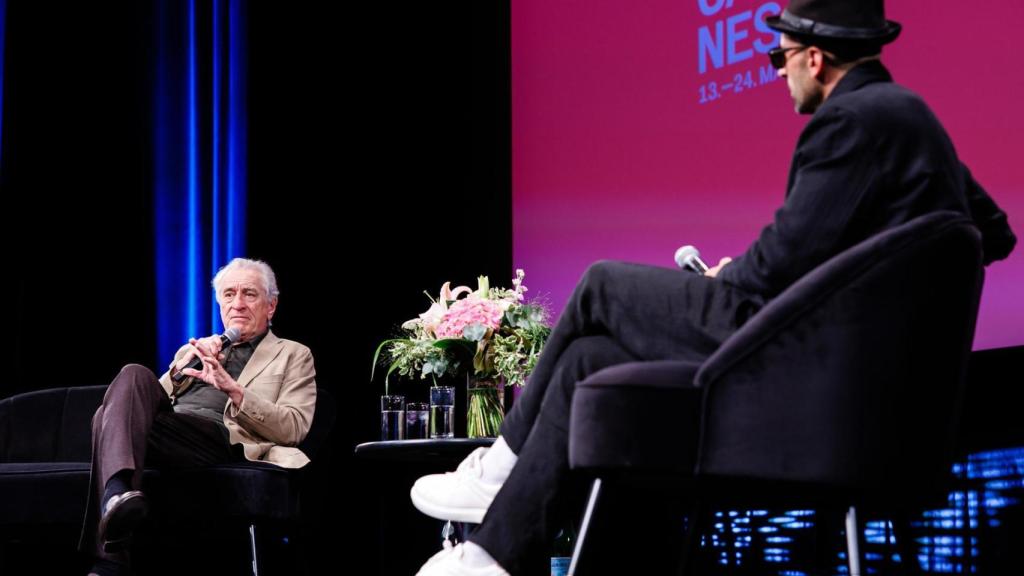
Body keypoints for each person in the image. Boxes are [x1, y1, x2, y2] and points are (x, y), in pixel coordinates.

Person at [410, 0, 1017, 574]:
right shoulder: (912, 119)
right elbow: (990, 234)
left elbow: (775, 266)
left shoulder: (849, 122)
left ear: (815, 58)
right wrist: (859, 277)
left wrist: (731, 274)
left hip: (790, 358)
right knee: (588, 358)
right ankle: (493, 555)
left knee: (599, 285)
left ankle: (498, 467)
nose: (778, 74)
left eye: (779, 59)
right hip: (840, 369)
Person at [79, 258, 317, 576]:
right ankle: (118, 496)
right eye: (229, 295)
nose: (238, 304)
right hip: (172, 431)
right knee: (131, 376)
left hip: (221, 437)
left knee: (104, 419)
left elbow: (294, 427)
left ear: (271, 306)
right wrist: (183, 367)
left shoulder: (293, 354)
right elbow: (138, 400)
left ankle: (109, 557)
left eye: (249, 294)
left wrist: (233, 389)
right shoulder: (197, 349)